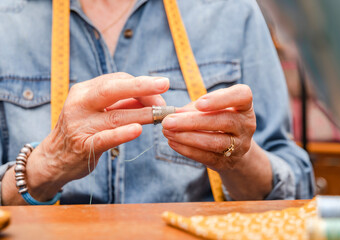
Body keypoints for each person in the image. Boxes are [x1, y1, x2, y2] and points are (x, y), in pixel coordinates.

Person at [0, 0, 314, 205]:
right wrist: (45, 166)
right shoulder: (6, 20)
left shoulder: (234, 13)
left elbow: (298, 191)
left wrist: (239, 159)